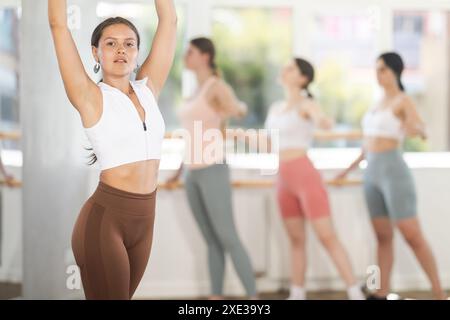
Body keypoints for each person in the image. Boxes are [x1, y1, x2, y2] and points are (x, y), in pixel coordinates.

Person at [48, 0, 177, 299]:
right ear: (96, 52)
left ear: (137, 52)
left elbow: (169, 20)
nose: (121, 50)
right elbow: (58, 25)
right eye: (111, 43)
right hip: (105, 223)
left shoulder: (149, 89)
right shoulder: (89, 96)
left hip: (145, 219)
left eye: (129, 44)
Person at [336, 52, 446, 300]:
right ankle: (380, 291)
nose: (378, 74)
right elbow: (367, 145)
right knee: (381, 236)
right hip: (371, 172)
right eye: (376, 69)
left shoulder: (403, 101)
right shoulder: (376, 104)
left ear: (395, 71)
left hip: (393, 171)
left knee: (411, 234)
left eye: (382, 69)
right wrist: (347, 170)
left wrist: (414, 128)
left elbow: (422, 129)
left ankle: (439, 293)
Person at [265, 58, 364, 300]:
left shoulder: (307, 104)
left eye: (290, 68)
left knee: (327, 237)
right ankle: (297, 294)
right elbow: (270, 143)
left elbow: (321, 119)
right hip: (283, 178)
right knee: (296, 239)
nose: (283, 70)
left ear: (303, 78)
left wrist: (324, 121)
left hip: (305, 176)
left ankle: (354, 292)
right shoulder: (276, 108)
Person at [167, 37, 257, 299]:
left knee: (228, 237)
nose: (186, 56)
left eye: (190, 52)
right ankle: (215, 297)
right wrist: (179, 169)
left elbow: (239, 109)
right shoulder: (194, 90)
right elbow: (193, 133)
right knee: (211, 241)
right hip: (192, 172)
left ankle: (254, 298)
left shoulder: (215, 87)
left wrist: (233, 108)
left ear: (205, 56)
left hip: (213, 168)